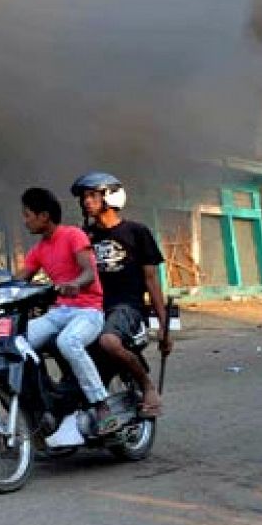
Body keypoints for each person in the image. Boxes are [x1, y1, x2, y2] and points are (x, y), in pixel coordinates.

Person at [15, 186, 118, 434]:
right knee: (18, 341)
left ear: (44, 216)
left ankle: (101, 405)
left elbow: (88, 273)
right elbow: (18, 281)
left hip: (88, 311)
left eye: (28, 215)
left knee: (68, 342)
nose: (25, 220)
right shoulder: (39, 249)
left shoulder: (73, 235)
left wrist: (74, 284)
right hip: (59, 312)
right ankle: (46, 399)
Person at [73, 171, 171, 418]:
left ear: (111, 197)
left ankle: (147, 387)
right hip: (92, 309)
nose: (87, 202)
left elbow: (152, 281)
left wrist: (164, 326)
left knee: (109, 342)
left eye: (93, 195)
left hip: (127, 307)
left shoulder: (137, 232)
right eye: (84, 197)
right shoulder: (84, 237)